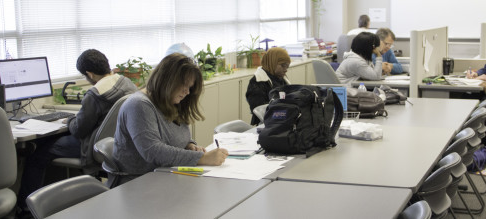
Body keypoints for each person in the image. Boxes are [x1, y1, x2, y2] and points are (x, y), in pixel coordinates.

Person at [17, 49, 138, 212]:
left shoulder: (95, 94)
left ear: (90, 74)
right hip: (118, 142)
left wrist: (70, 120)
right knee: (47, 143)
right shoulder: (125, 83)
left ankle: (25, 208)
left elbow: (78, 131)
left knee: (38, 154)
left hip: (92, 147)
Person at [112, 53, 228, 184]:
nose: (187, 92)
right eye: (184, 85)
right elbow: (153, 151)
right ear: (167, 80)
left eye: (189, 87)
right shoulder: (138, 105)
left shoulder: (170, 100)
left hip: (166, 177)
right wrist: (202, 158)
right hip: (138, 183)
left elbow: (176, 137)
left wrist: (189, 146)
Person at [245, 47, 291, 125]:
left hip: (282, 121)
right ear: (272, 63)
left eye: (287, 66)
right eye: (283, 66)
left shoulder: (280, 78)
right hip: (266, 125)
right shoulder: (257, 82)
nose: (286, 69)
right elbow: (261, 111)